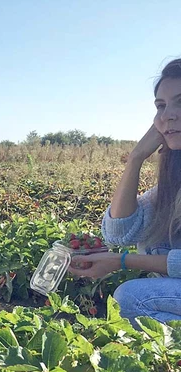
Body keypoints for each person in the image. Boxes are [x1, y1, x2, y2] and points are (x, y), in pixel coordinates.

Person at [69, 58, 181, 324]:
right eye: (161, 106)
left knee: (132, 298)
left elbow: (120, 250)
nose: (167, 115)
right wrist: (136, 158)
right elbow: (120, 231)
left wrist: (120, 261)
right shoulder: (173, 179)